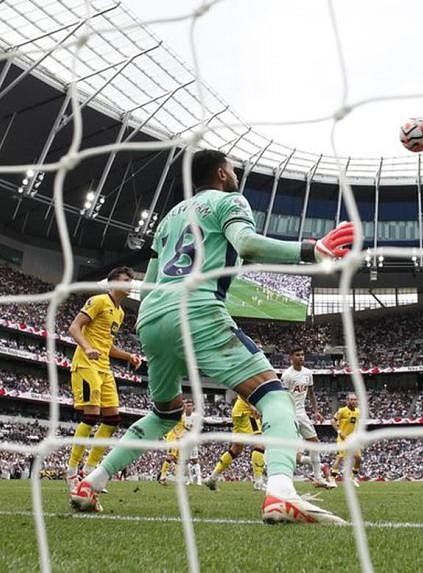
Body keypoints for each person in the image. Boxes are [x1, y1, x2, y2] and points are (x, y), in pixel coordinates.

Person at [70, 149, 354, 524]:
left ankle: (92, 481)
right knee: (275, 397)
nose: (236, 175)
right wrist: (309, 250)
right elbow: (247, 244)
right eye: (233, 170)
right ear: (221, 173)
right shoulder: (229, 200)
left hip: (153, 317)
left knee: (163, 413)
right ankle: (281, 491)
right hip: (197, 308)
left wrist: (150, 326)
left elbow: (151, 282)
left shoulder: (169, 218)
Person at [65, 266, 141, 491]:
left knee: (113, 419)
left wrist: (128, 355)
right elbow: (74, 328)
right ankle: (71, 472)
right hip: (86, 364)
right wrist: (87, 348)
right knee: (91, 416)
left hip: (104, 367)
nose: (130, 283)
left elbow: (107, 346)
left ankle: (90, 470)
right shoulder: (98, 301)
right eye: (126, 279)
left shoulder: (120, 312)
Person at [281, 346, 334, 488]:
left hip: (301, 413)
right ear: (291, 357)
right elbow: (283, 397)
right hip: (289, 414)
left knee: (314, 442)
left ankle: (318, 478)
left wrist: (316, 410)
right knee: (296, 457)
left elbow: (311, 393)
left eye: (302, 355)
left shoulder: (308, 373)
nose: (301, 357)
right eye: (297, 355)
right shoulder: (287, 376)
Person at [203, 395, 267, 491]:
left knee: (236, 449)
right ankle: (258, 482)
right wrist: (251, 406)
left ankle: (212, 478)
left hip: (240, 411)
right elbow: (241, 390)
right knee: (260, 443)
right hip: (247, 412)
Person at [158, 400, 202, 486]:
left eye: (187, 405)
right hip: (173, 439)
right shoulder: (176, 415)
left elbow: (184, 428)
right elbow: (171, 426)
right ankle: (162, 477)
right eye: (184, 405)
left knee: (178, 460)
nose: (186, 407)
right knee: (170, 457)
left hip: (180, 440)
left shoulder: (183, 417)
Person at [330, 393, 361, 487]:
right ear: (347, 400)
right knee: (340, 457)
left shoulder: (358, 411)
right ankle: (332, 479)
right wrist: (339, 432)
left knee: (358, 458)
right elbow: (332, 421)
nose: (354, 401)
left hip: (353, 439)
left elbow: (356, 424)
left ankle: (353, 478)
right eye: (351, 399)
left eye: (355, 399)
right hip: (342, 438)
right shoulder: (342, 410)